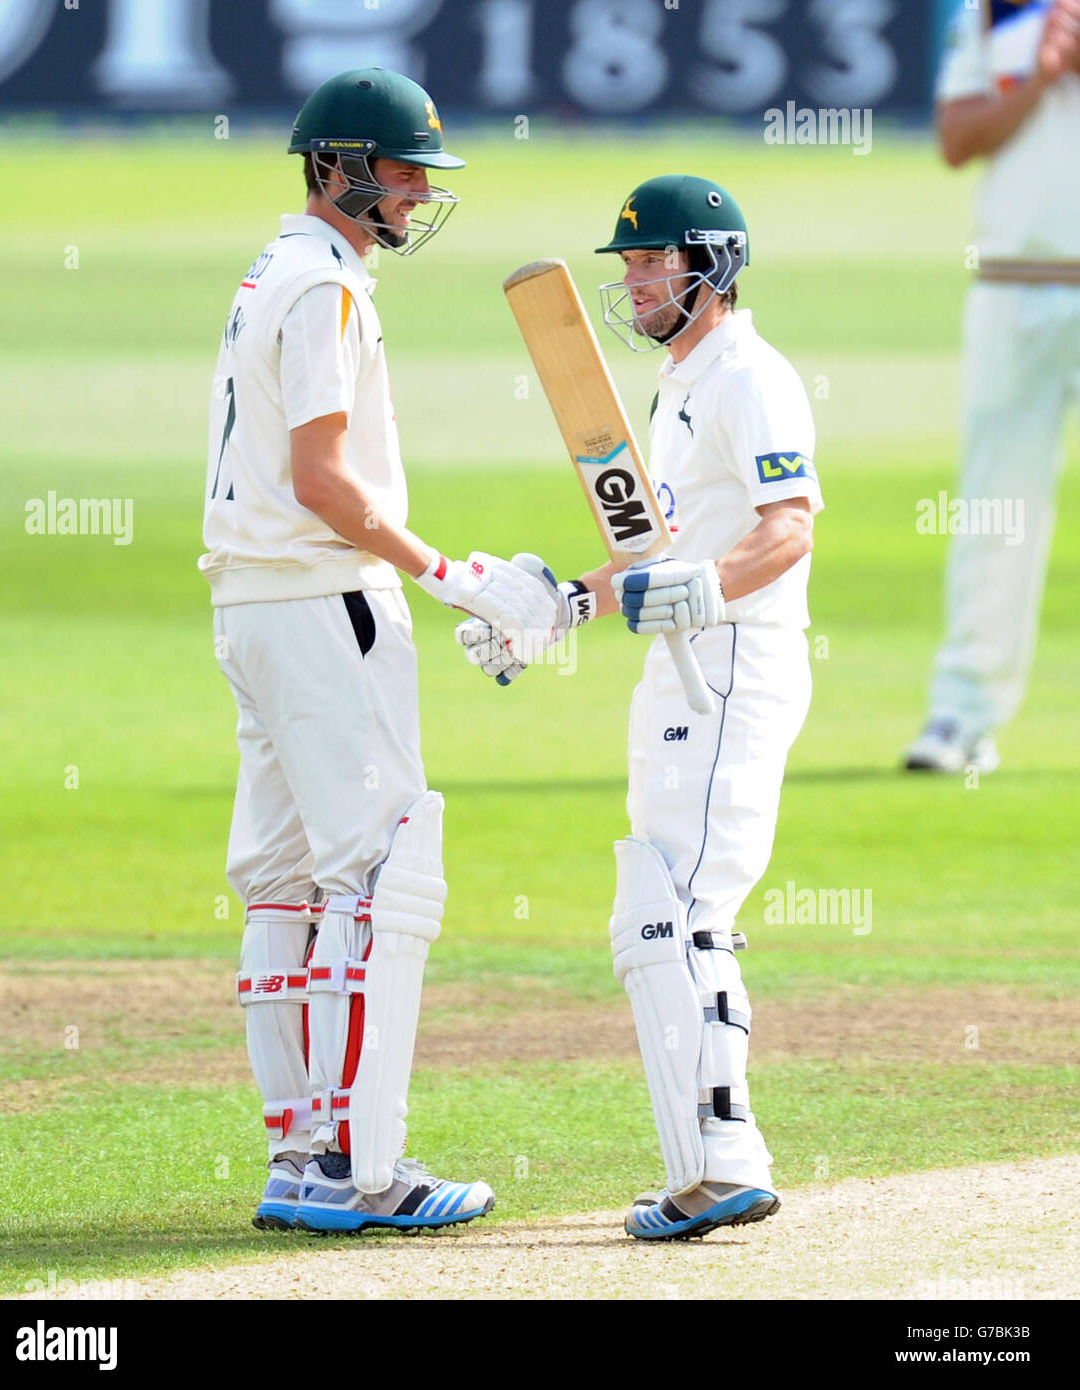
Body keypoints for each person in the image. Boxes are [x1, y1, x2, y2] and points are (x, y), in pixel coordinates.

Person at [200, 67, 555, 1235]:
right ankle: (363, 1168)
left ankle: (300, 1157)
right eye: (400, 172)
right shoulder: (325, 289)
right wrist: (454, 576)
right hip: (318, 600)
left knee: (285, 880)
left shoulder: (276, 269)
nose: (414, 194)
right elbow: (322, 478)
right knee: (380, 871)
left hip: (258, 607)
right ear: (336, 167)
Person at [458, 175, 822, 1239]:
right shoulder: (680, 386)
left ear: (711, 266)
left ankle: (725, 1158)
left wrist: (703, 588)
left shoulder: (752, 374)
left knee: (687, 906)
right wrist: (563, 605)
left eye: (653, 262)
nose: (635, 283)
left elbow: (786, 529)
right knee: (653, 906)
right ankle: (707, 1160)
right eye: (627, 265)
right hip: (679, 661)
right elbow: (660, 555)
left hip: (733, 663)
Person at [904, 0, 1080, 773]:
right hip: (1016, 282)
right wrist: (1037, 77)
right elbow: (955, 138)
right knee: (996, 507)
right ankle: (963, 715)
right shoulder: (1003, 8)